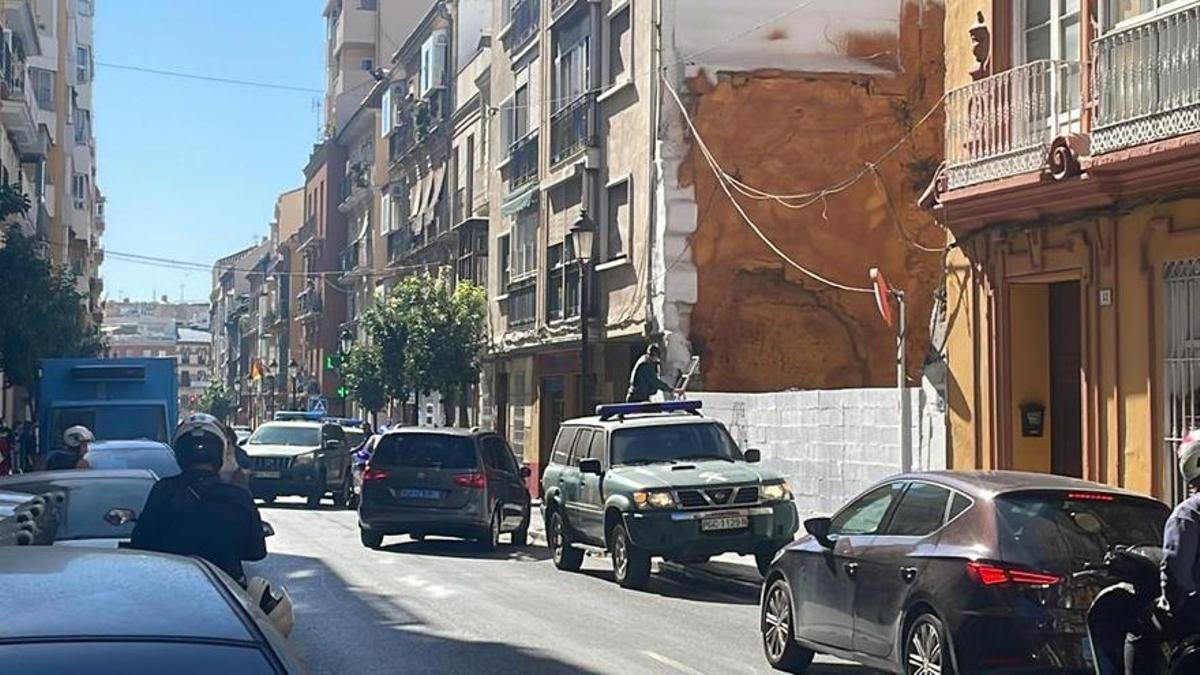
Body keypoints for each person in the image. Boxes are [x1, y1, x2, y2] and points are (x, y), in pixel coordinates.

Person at [1092, 429, 1200, 674]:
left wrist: (1168, 603)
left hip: (1196, 612)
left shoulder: (1188, 514)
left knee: (1138, 630)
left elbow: (1176, 572)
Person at [130, 413, 267, 583]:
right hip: (226, 588)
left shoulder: (163, 491)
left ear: (180, 453)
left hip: (169, 585)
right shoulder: (237, 495)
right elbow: (256, 552)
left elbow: (140, 543)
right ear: (220, 453)